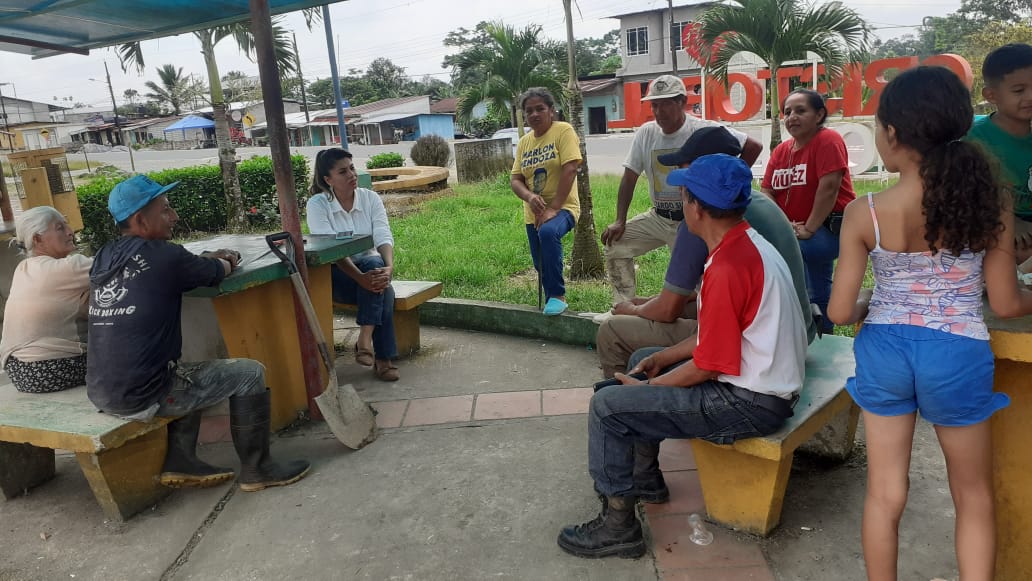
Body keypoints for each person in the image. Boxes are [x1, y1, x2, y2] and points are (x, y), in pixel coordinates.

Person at [828, 66, 1032, 581]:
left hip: (885, 352)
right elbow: (1006, 302)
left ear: (893, 133)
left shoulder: (864, 212)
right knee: (973, 495)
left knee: (885, 494)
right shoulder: (990, 202)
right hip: (957, 351)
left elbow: (839, 312)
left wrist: (872, 302)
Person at [558, 154, 807, 559]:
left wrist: (649, 388)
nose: (681, 203)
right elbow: (717, 337)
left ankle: (618, 526)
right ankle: (646, 479)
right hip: (763, 387)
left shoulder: (728, 267)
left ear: (697, 209)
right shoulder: (744, 245)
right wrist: (662, 360)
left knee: (608, 407)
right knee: (644, 356)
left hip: (751, 402)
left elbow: (709, 365)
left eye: (685, 196)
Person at [87, 174, 310, 492]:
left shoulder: (104, 256)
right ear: (140, 220)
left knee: (183, 368)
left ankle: (181, 460)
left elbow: (173, 267)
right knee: (249, 373)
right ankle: (258, 469)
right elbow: (219, 271)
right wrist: (226, 258)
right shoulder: (165, 256)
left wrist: (200, 260)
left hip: (102, 390)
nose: (174, 216)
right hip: (144, 395)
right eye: (165, 209)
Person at [598, 126, 817, 380]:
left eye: (684, 170)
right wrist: (650, 303)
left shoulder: (705, 219)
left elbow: (669, 311)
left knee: (612, 330)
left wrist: (633, 309)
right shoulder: (757, 203)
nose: (679, 182)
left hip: (762, 354)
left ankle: (619, 393)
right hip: (797, 330)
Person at [601, 74, 762, 304]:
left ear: (682, 102)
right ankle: (623, 306)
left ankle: (701, 314)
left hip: (694, 219)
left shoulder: (702, 130)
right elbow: (629, 178)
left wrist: (729, 182)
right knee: (615, 243)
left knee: (702, 276)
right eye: (655, 105)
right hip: (658, 216)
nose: (659, 112)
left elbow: (753, 146)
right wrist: (620, 220)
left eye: (666, 104)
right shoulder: (646, 133)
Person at [761, 89, 856, 334]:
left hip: (829, 228)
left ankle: (800, 326)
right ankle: (823, 334)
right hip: (795, 229)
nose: (792, 117)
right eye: (787, 112)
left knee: (791, 258)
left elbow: (829, 188)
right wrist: (785, 225)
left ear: (819, 115)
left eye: (801, 110)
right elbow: (767, 190)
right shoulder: (782, 150)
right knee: (819, 285)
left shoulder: (828, 140)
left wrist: (809, 228)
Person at [307, 148, 400, 381]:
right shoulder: (318, 204)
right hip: (336, 276)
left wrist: (389, 268)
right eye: (343, 172)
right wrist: (360, 278)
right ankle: (383, 358)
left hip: (371, 271)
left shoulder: (370, 198)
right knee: (382, 287)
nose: (351, 175)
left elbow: (382, 234)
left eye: (352, 168)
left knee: (377, 272)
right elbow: (331, 250)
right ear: (328, 180)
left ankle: (365, 338)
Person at [0, 206, 91, 393]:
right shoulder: (67, 268)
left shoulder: (24, 268)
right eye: (60, 228)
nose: (70, 231)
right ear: (37, 239)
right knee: (129, 354)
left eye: (66, 225)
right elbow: (120, 261)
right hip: (48, 368)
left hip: (18, 371)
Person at [510, 87, 581, 316]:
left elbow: (571, 169)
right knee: (540, 261)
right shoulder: (524, 142)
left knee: (549, 232)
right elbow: (516, 180)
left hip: (564, 207)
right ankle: (551, 303)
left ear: (551, 110)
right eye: (529, 111)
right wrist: (530, 196)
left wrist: (554, 208)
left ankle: (558, 296)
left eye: (540, 109)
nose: (534, 114)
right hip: (533, 213)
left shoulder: (563, 131)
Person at [965, 43, 1032, 265]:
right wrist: (1010, 222)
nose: (1030, 96)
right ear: (991, 95)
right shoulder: (974, 140)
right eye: (1019, 90)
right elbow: (967, 196)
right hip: (996, 225)